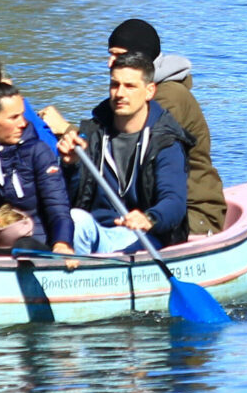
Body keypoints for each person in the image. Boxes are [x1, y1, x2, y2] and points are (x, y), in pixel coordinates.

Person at [56, 51, 191, 253]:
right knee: (76, 218)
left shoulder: (165, 141)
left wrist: (149, 218)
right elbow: (72, 200)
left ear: (149, 91)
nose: (119, 93)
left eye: (130, 86)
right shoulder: (92, 134)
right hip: (98, 231)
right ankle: (76, 274)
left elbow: (174, 201)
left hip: (146, 238)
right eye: (114, 85)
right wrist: (71, 166)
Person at [105, 17, 228, 235]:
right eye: (110, 54)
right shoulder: (134, 96)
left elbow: (129, 146)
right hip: (152, 207)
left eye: (118, 54)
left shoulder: (168, 98)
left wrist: (68, 131)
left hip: (192, 211)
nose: (109, 62)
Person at [0, 82, 76, 255]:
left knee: (23, 245)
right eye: (13, 117)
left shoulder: (38, 152)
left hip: (37, 244)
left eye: (22, 115)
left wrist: (62, 243)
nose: (23, 123)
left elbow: (57, 206)